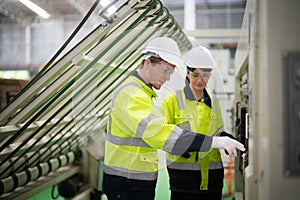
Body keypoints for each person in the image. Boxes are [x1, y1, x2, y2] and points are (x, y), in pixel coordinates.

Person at [102, 37, 245, 200]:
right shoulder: (133, 95)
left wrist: (221, 138)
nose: (168, 78)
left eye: (171, 71)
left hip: (134, 179)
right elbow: (161, 132)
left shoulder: (143, 93)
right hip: (127, 182)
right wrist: (213, 142)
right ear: (147, 62)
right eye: (165, 70)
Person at [161, 46, 237, 200]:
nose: (200, 80)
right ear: (187, 73)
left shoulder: (214, 102)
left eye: (205, 75)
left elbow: (217, 132)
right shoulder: (172, 101)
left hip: (213, 180)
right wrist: (184, 146)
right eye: (195, 75)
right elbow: (164, 137)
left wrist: (228, 139)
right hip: (183, 182)